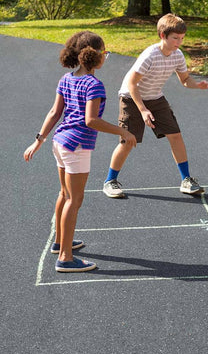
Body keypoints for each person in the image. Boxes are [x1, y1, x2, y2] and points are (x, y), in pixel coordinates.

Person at [24, 31, 137, 273]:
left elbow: (54, 113)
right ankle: (65, 257)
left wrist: (38, 140)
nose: (106, 57)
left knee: (65, 194)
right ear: (95, 56)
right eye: (105, 52)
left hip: (60, 142)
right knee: (75, 200)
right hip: (77, 146)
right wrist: (123, 132)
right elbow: (91, 120)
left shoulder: (66, 79)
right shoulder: (94, 84)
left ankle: (59, 242)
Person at [103, 13, 208, 199]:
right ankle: (110, 181)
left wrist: (197, 84)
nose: (179, 42)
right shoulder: (150, 55)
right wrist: (143, 110)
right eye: (175, 38)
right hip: (131, 97)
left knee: (175, 135)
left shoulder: (177, 55)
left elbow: (185, 80)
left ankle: (186, 180)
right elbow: (132, 84)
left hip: (155, 97)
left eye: (182, 38)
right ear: (163, 35)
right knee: (129, 141)